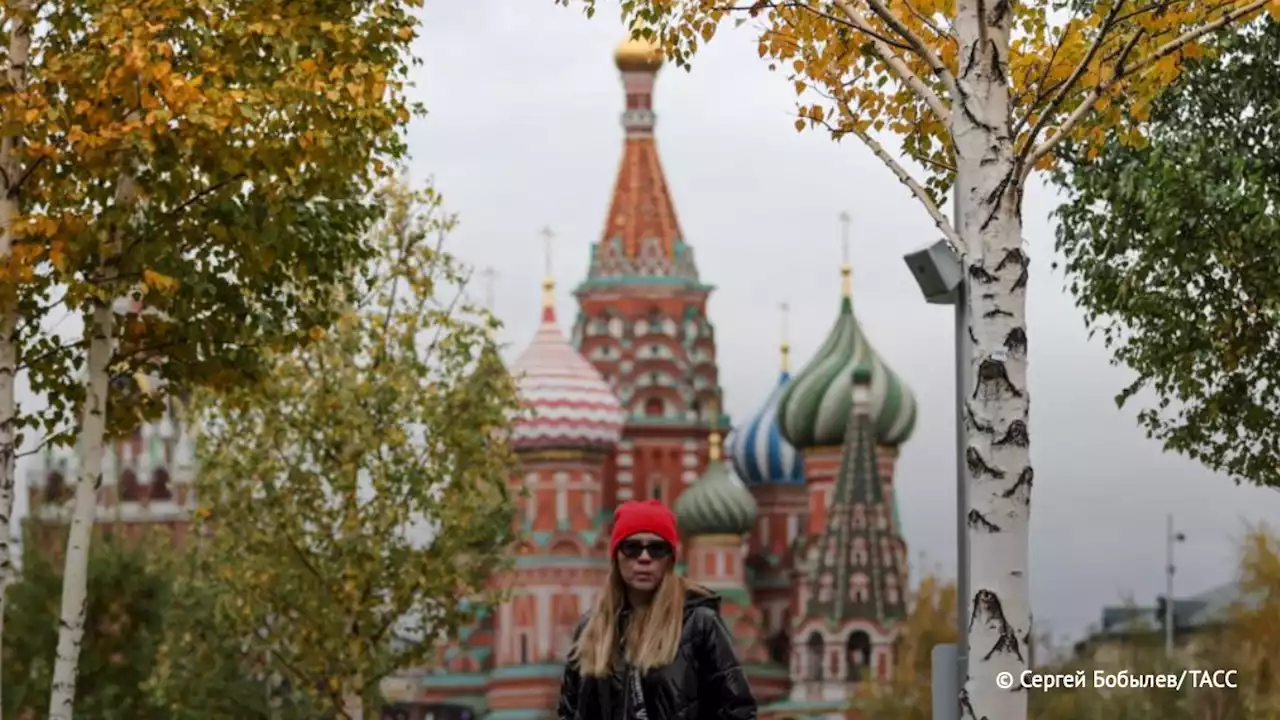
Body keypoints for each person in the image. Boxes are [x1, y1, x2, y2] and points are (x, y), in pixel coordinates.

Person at [557, 499, 757, 720]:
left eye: (656, 549)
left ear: (670, 560)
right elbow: (569, 711)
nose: (644, 558)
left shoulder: (699, 624)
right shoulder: (591, 629)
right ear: (616, 556)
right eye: (631, 547)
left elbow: (738, 710)